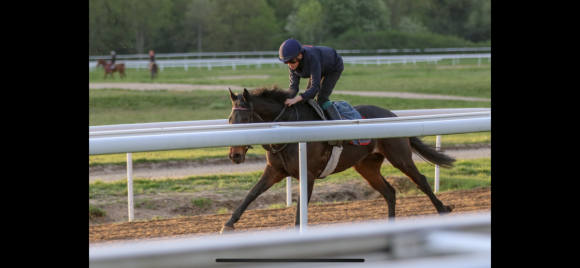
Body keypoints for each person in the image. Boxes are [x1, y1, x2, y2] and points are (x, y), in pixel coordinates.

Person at [278, 39, 343, 123]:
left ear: (300, 56)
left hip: (333, 66)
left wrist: (296, 99)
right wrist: (284, 99)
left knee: (321, 98)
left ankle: (340, 125)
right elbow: (293, 88)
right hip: (320, 65)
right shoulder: (292, 65)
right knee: (308, 97)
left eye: (292, 60)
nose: (290, 64)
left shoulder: (311, 57)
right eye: (286, 62)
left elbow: (315, 88)